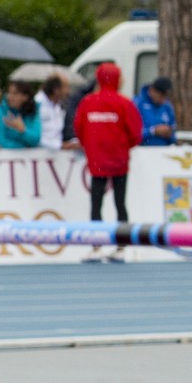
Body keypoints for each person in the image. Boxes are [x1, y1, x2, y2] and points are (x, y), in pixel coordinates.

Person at [73, 63, 143, 261]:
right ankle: (122, 248)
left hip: (97, 161)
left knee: (96, 204)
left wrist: (92, 147)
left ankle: (96, 247)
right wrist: (122, 147)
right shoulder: (124, 103)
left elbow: (79, 128)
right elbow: (136, 133)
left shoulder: (88, 102)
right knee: (120, 203)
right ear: (117, 79)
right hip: (119, 160)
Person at [0, 80, 43, 151]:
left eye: (15, 93)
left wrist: (23, 130)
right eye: (9, 92)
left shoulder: (32, 113)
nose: (10, 97)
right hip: (1, 157)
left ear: (25, 97)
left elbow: (36, 139)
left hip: (22, 157)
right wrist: (24, 147)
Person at [36, 74, 75, 150]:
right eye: (66, 87)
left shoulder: (58, 105)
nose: (68, 91)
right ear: (56, 90)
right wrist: (60, 145)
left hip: (56, 153)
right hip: (39, 153)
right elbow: (37, 136)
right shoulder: (38, 104)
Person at [136, 76, 177, 145]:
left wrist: (170, 134)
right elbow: (132, 134)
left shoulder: (167, 106)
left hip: (163, 150)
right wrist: (153, 131)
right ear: (152, 90)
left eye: (166, 96)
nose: (163, 100)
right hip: (142, 149)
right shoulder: (138, 104)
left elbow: (173, 131)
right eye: (161, 96)